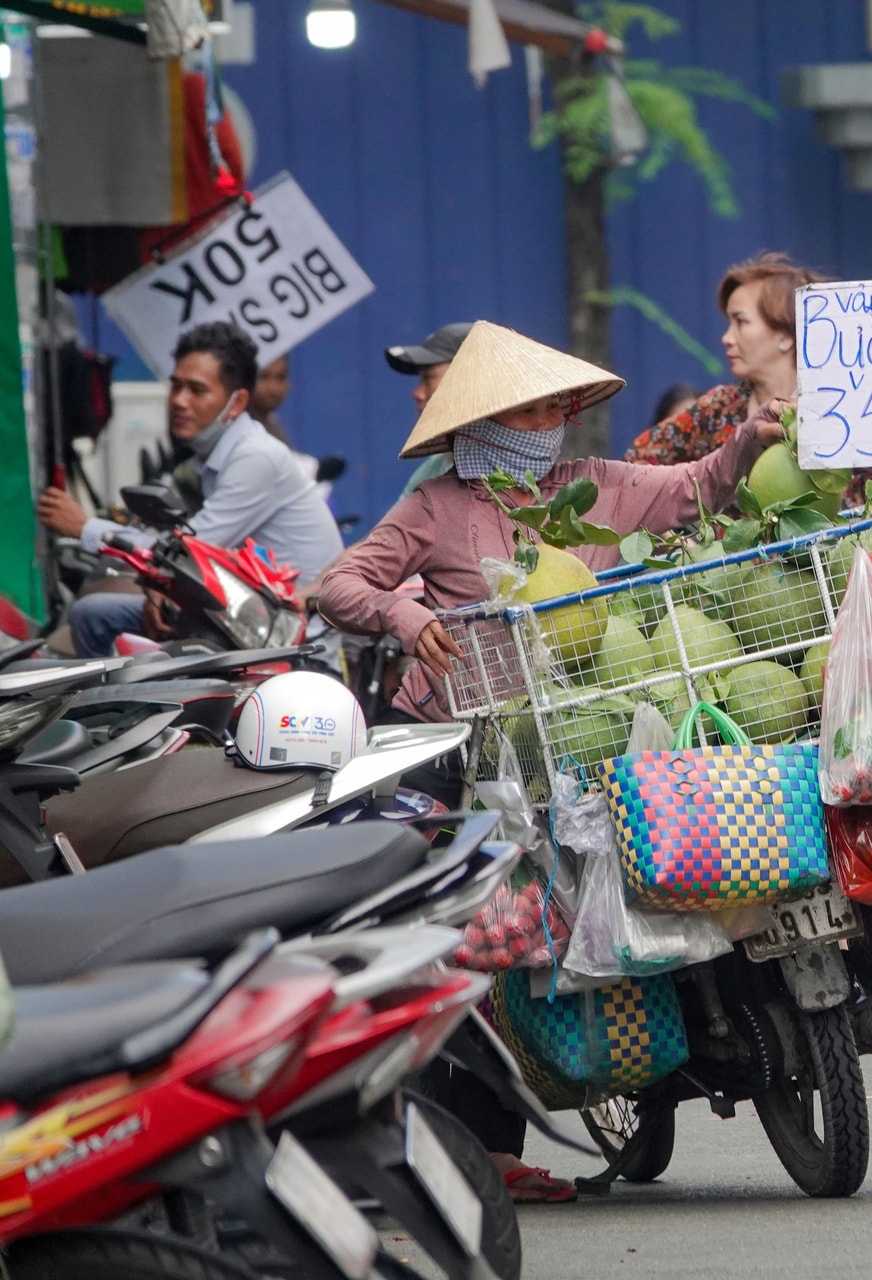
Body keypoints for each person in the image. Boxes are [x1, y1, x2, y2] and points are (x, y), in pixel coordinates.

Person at [315, 322, 784, 1203]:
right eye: (535, 406)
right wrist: (410, 619)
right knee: (480, 939)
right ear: (489, 418)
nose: (553, 420)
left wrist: (749, 443)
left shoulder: (597, 485)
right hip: (472, 748)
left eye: (559, 405)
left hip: (583, 727)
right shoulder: (435, 507)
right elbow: (338, 584)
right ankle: (485, 1145)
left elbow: (696, 489)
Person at [37, 322, 345, 657]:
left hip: (288, 638)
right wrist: (159, 586)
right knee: (93, 614)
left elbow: (186, 555)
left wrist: (86, 527)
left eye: (197, 390)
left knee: (97, 618)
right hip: (241, 616)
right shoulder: (216, 457)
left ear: (237, 402)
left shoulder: (256, 457)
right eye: (176, 386)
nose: (179, 401)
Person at [625, 252, 872, 504]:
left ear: (785, 335)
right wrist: (678, 540)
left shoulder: (842, 408)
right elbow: (637, 463)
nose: (726, 338)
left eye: (740, 322)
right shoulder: (720, 409)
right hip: (739, 578)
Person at [386, 322, 473, 498]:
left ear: (469, 379)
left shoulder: (534, 464)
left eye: (428, 378)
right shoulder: (430, 472)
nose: (417, 393)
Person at [252, 355, 293, 445]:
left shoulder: (274, 425)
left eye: (280, 377)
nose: (273, 388)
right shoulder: (232, 426)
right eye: (263, 376)